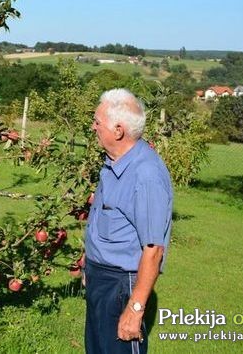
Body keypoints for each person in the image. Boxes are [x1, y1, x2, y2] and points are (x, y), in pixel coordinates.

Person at [84, 88, 173, 354]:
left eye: (98, 122)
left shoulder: (146, 175)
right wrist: (88, 259)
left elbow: (154, 249)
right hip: (100, 277)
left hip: (122, 285)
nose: (93, 127)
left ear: (118, 130)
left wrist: (135, 309)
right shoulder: (113, 162)